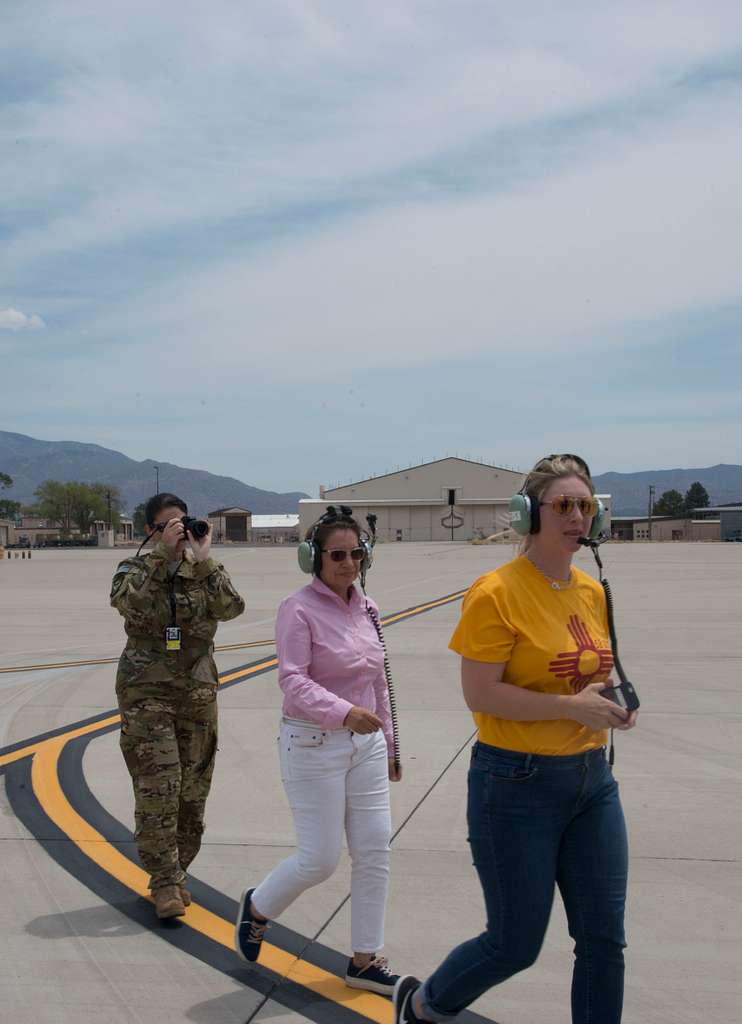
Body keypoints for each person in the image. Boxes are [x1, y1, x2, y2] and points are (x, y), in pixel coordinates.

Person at [394, 454, 638, 1024]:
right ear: (529, 513)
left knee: (604, 941)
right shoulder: (496, 592)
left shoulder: (590, 590)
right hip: (516, 783)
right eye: (564, 506)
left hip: (591, 781)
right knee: (514, 944)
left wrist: (604, 699)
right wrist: (568, 705)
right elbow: (481, 694)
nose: (578, 517)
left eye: (586, 506)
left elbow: (583, 671)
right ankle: (427, 1004)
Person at [235, 506, 402, 995]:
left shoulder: (368, 608)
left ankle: (365, 961)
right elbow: (292, 679)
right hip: (312, 743)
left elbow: (379, 684)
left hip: (366, 747)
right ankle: (259, 907)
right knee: (320, 860)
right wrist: (342, 712)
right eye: (337, 555)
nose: (348, 563)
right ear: (314, 557)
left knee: (374, 853)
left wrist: (390, 743)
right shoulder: (298, 608)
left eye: (356, 553)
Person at [111, 492, 245, 919]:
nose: (180, 532)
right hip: (146, 693)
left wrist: (204, 560)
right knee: (160, 785)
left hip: (197, 693)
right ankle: (164, 880)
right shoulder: (134, 568)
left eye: (183, 523)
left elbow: (232, 607)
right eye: (170, 525)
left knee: (192, 792)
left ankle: (177, 869)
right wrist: (159, 558)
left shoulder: (203, 571)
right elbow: (128, 603)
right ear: (151, 530)